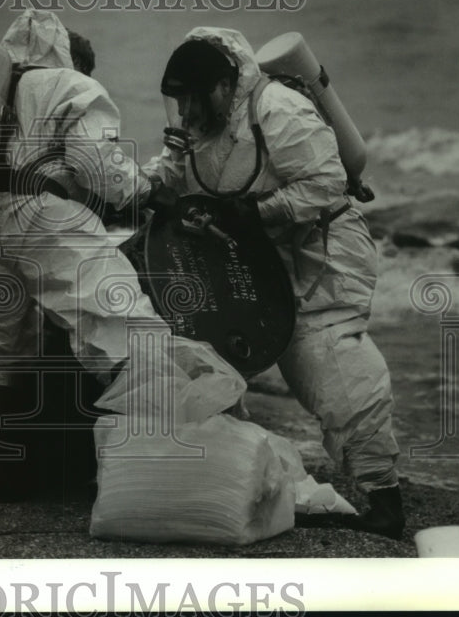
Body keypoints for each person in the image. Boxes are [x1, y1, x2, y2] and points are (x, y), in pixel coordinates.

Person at [0, 10, 234, 496]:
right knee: (123, 324)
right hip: (36, 219)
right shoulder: (70, 85)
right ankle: (150, 468)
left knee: (7, 343)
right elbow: (103, 170)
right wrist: (149, 193)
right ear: (63, 53)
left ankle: (2, 466)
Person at [143, 27, 404, 539]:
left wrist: (259, 212)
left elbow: (326, 183)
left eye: (193, 99)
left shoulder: (279, 110)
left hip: (319, 256)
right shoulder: (198, 123)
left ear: (222, 86)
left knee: (332, 370)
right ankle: (241, 476)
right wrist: (135, 187)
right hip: (251, 257)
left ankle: (385, 498)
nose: (186, 113)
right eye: (179, 102)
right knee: (213, 361)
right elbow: (174, 173)